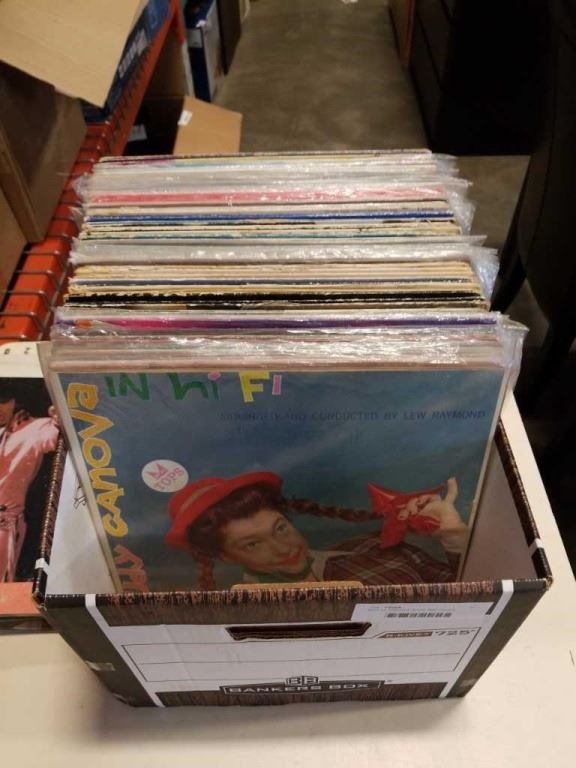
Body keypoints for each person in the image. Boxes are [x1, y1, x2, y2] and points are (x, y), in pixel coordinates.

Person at [165, 471, 469, 589]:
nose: (282, 548)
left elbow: (476, 610)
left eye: (280, 528)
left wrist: (455, 539)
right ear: (227, 557)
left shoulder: (379, 550)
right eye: (252, 544)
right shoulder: (239, 616)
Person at [0, 382, 60, 582]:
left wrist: (60, 416)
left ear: (15, 401)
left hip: (6, 525)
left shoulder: (37, 428)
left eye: (3, 401)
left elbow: (54, 438)